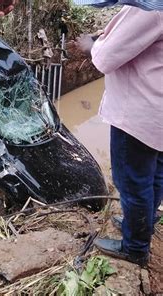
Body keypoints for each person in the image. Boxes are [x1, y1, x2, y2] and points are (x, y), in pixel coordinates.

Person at [76, 6, 162, 266]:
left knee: (132, 183)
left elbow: (105, 58)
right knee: (155, 173)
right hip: (157, 111)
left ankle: (134, 248)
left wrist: (91, 44)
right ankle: (143, 224)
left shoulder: (150, 7)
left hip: (138, 113)